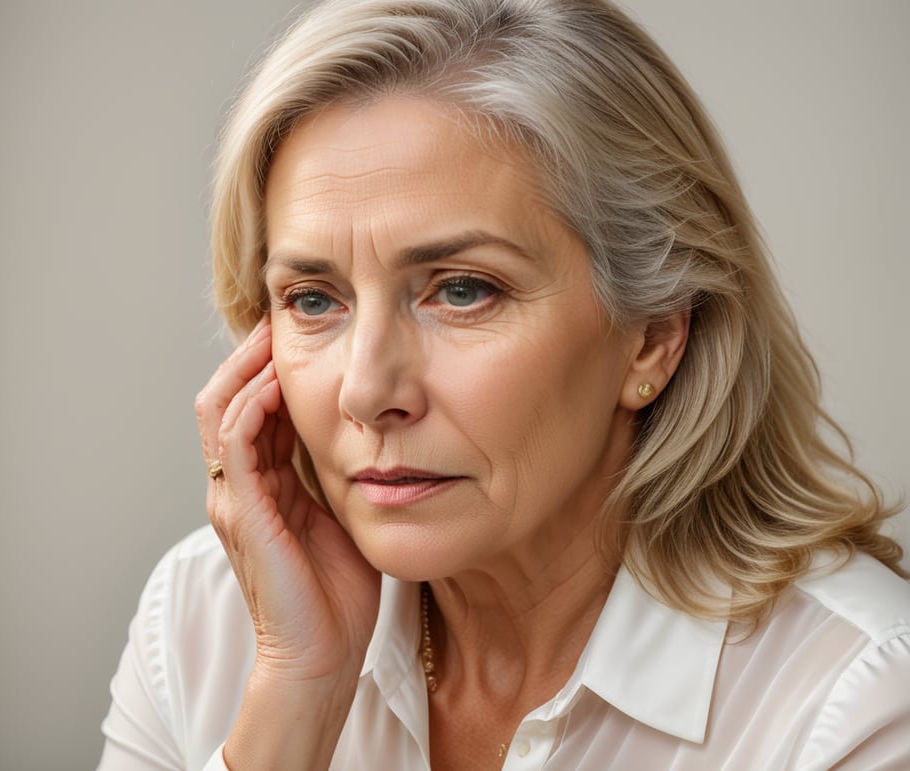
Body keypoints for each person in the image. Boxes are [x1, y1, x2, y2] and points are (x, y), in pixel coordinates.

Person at [98, 0, 910, 768]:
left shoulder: (856, 697)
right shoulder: (203, 620)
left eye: (462, 290)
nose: (366, 389)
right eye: (314, 300)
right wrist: (295, 699)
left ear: (655, 334)